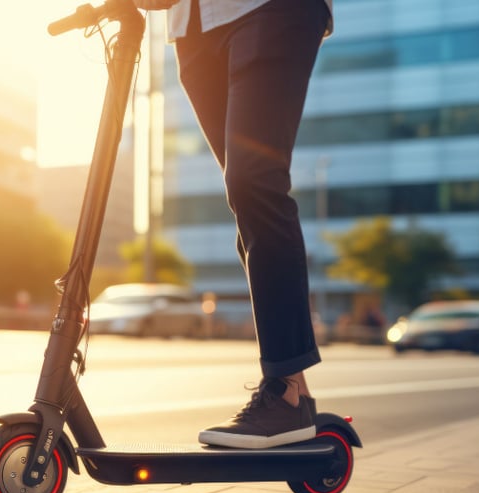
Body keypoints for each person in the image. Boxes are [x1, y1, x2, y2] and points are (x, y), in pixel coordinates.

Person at [133, 0, 333, 449]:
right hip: (193, 26)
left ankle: (284, 391)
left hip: (269, 10)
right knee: (247, 198)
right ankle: (293, 391)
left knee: (255, 182)